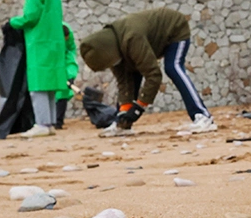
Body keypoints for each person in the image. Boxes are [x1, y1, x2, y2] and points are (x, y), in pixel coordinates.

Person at [78, 8, 216, 133]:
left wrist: (138, 107)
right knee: (130, 74)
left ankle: (202, 116)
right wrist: (124, 113)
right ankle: (123, 125)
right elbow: (124, 82)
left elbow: (154, 75)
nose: (111, 65)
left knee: (173, 67)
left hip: (174, 29)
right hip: (148, 42)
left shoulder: (132, 38)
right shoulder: (111, 48)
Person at [7, 0, 67, 138]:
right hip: (54, 44)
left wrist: (12, 22)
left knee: (38, 85)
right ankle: (50, 123)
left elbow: (31, 17)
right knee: (50, 86)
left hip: (39, 42)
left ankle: (41, 124)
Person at [55, 24, 78, 129]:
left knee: (62, 92)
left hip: (62, 63)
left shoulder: (69, 36)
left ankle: (58, 121)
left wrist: (70, 75)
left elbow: (70, 55)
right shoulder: (49, 36)